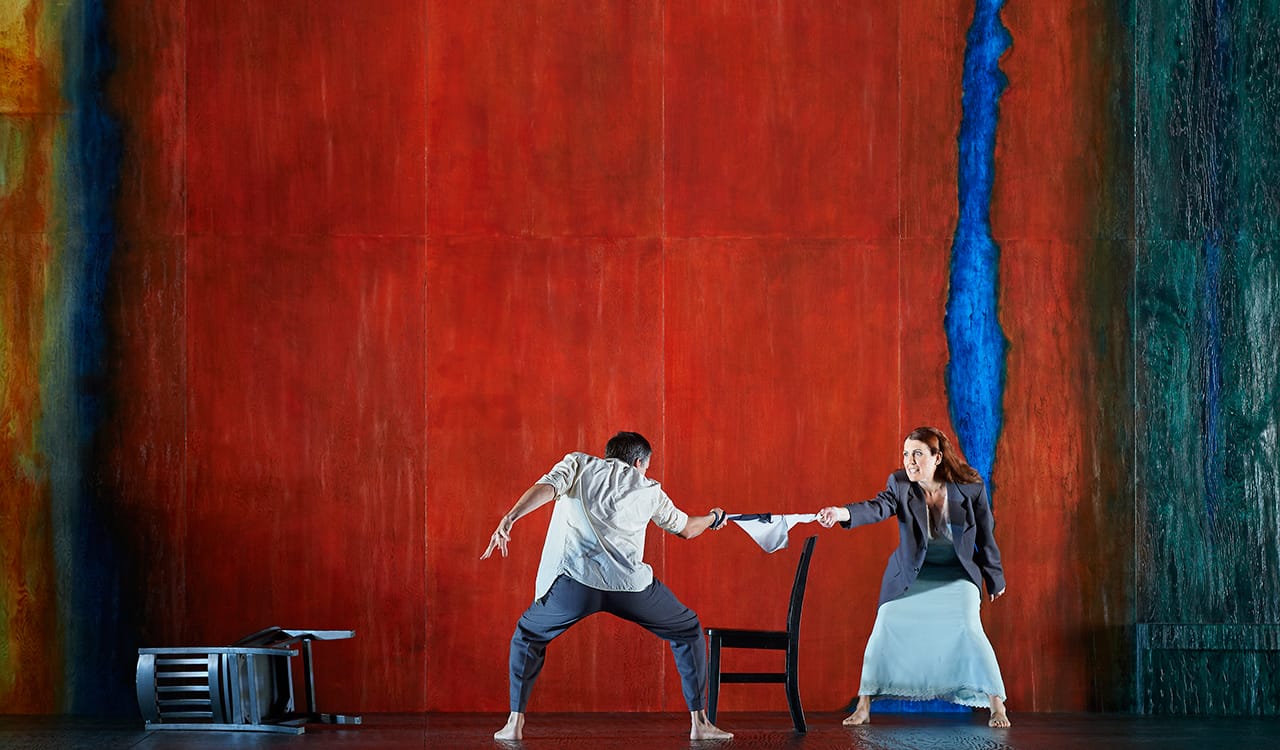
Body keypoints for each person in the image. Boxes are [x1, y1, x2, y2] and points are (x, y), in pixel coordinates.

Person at [481, 431, 734, 741]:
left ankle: (514, 725)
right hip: (632, 588)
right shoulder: (650, 489)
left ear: (609, 455)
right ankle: (701, 724)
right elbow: (686, 529)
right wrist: (713, 517)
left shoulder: (578, 465)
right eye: (646, 466)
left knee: (528, 635)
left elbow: (547, 488)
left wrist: (510, 517)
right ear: (640, 463)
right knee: (687, 629)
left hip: (574, 584)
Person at [816, 426, 1011, 728]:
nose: (909, 461)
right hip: (913, 576)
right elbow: (877, 507)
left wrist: (994, 578)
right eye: (906, 454)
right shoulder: (900, 485)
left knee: (969, 628)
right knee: (885, 625)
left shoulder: (970, 488)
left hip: (957, 576)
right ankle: (864, 706)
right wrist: (841, 513)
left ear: (937, 457)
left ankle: (997, 705)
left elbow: (986, 536)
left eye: (917, 454)